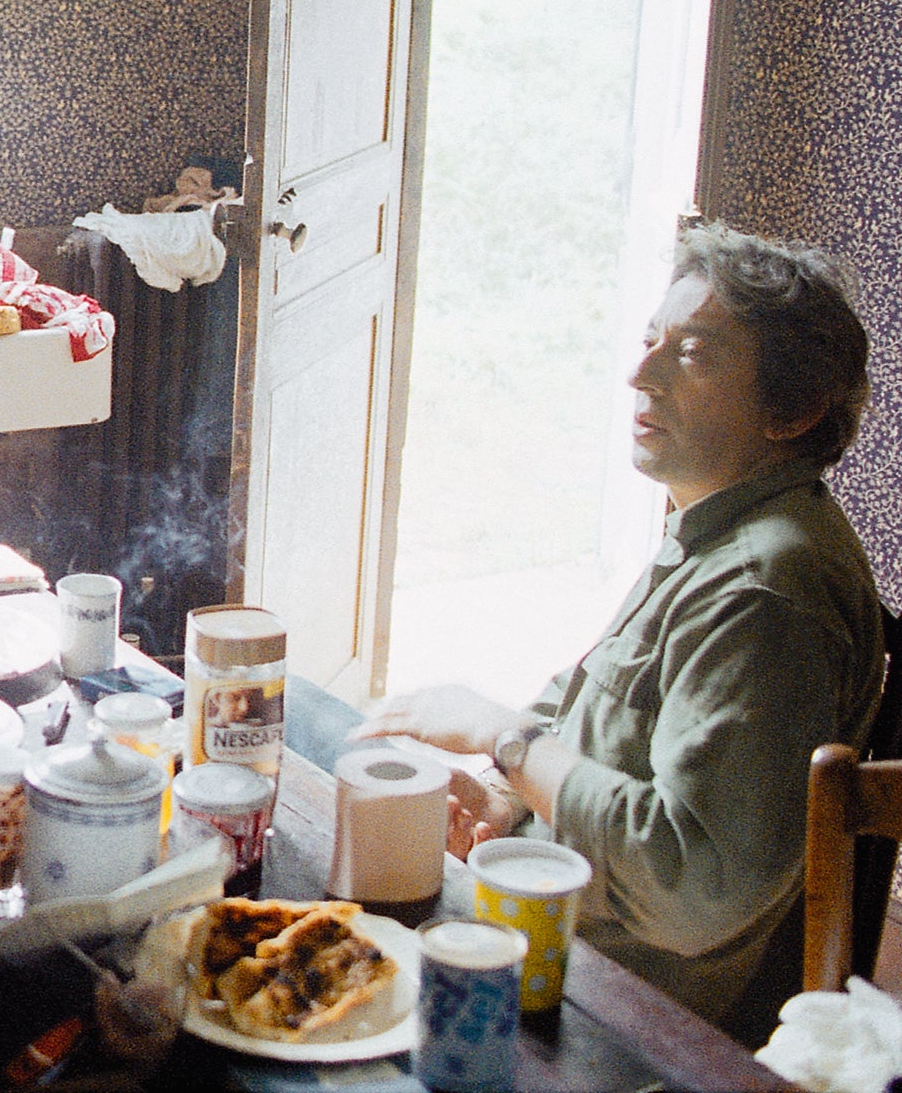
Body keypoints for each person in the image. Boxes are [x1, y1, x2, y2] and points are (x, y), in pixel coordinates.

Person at [357, 222, 883, 1045]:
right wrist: (509, 797)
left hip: (620, 1017)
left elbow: (692, 887)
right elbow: (604, 710)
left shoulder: (766, 590)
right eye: (650, 343)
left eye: (696, 355)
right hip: (567, 928)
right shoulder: (717, 526)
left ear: (793, 411)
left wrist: (507, 738)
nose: (641, 374)